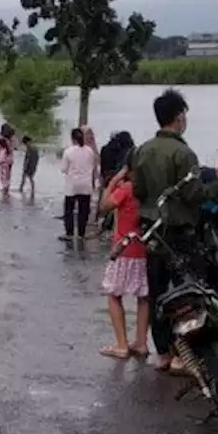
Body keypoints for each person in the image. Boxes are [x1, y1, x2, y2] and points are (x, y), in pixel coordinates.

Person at [132, 88, 205, 372]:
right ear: (178, 118)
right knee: (186, 292)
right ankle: (182, 354)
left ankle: (162, 353)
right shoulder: (184, 153)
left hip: (153, 234)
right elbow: (193, 194)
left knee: (157, 292)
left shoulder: (142, 151)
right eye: (184, 114)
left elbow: (137, 190)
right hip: (179, 234)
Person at [98, 163, 151, 359]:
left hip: (123, 249)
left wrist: (112, 182)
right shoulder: (148, 191)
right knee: (143, 297)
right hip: (143, 249)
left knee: (113, 294)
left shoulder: (126, 189)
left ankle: (121, 345)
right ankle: (141, 342)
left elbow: (104, 207)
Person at [59, 128, 98, 242]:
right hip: (86, 185)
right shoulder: (89, 151)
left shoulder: (68, 151)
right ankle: (81, 233)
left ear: (72, 138)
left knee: (69, 210)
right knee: (84, 210)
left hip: (72, 185)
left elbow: (63, 169)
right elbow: (92, 166)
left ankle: (69, 233)